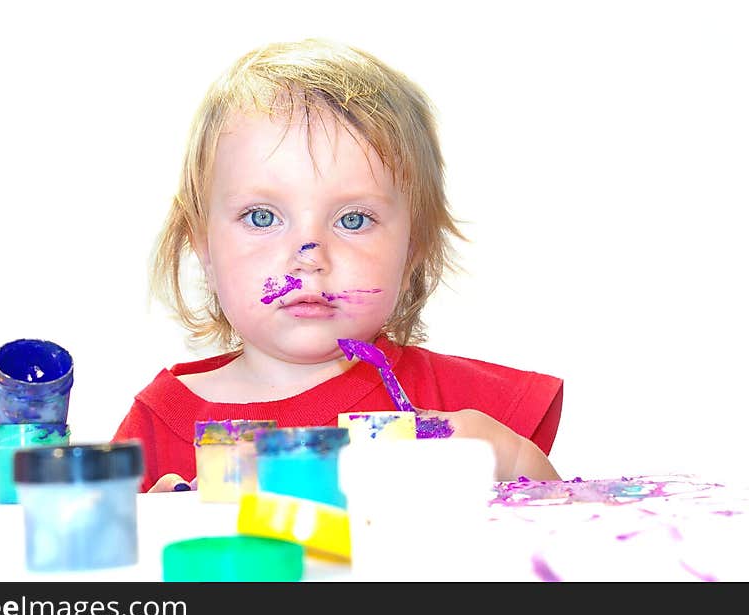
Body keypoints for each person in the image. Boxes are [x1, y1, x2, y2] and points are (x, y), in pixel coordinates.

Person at [112, 38, 564, 492]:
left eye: (352, 220)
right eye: (262, 217)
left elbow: (573, 535)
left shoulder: (461, 405)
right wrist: (154, 531)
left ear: (413, 252)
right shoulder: (155, 429)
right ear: (204, 250)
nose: (309, 257)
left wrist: (507, 458)